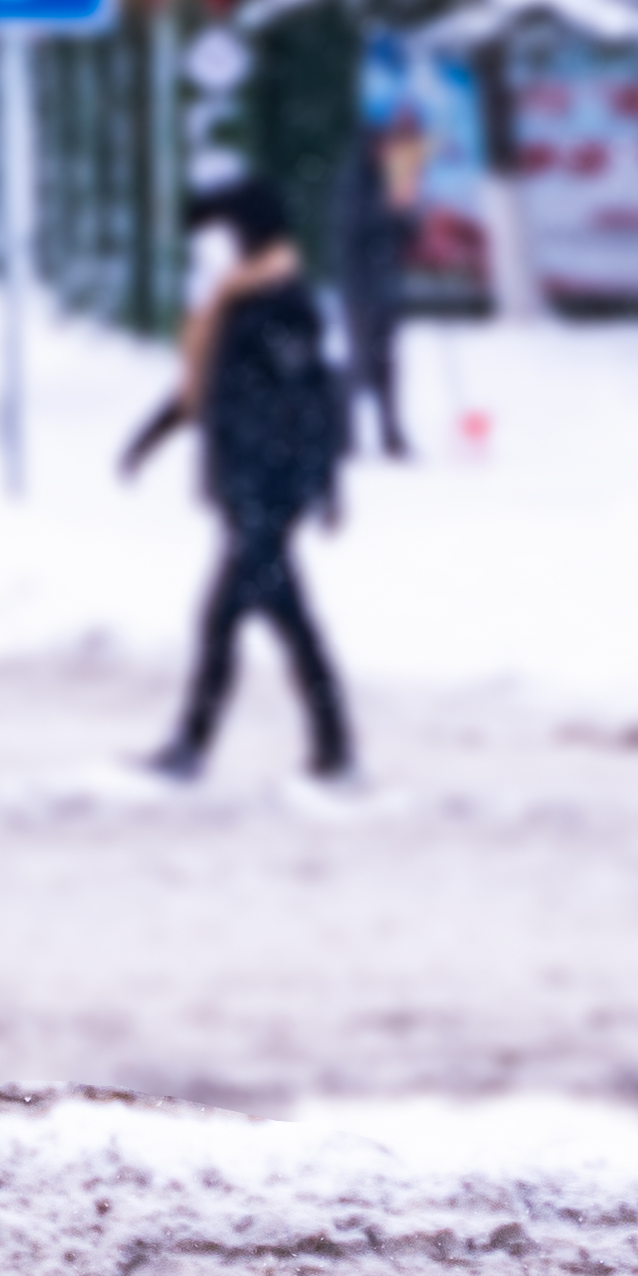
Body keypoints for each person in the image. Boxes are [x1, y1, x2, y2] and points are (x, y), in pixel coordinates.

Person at [122, 178, 356, 784]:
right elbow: (206, 393)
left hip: (267, 494)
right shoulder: (238, 302)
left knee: (223, 621)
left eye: (220, 236)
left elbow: (313, 406)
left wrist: (318, 486)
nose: (211, 251)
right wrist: (148, 439)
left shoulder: (282, 305)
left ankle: (192, 747)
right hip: (246, 487)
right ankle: (333, 749)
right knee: (289, 622)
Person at [329, 115, 428, 459]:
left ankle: (391, 433)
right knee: (360, 363)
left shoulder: (391, 181)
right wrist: (390, 206)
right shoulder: (355, 181)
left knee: (388, 363)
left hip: (387, 284)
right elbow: (355, 227)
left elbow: (405, 236)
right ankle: (344, 434)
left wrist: (409, 213)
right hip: (359, 285)